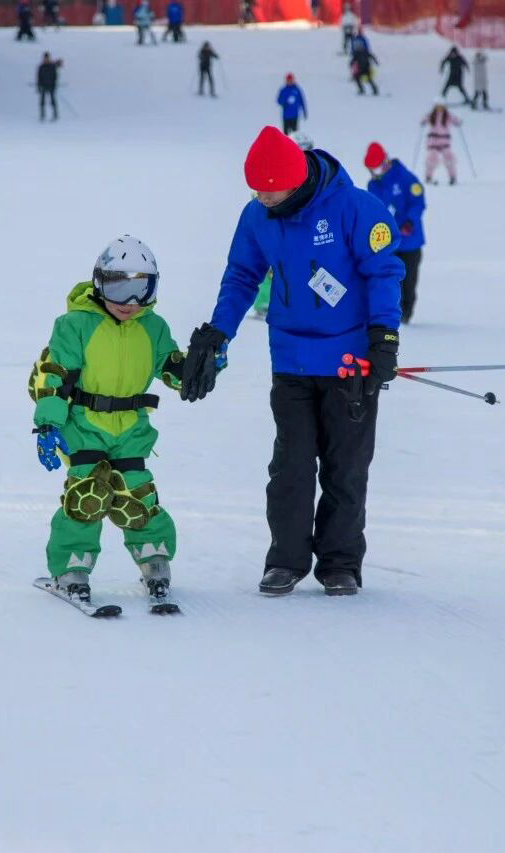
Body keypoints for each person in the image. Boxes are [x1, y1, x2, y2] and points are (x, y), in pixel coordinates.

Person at [179, 126, 404, 597]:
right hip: (291, 360)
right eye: (254, 188)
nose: (261, 196)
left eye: (269, 188)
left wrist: (384, 336)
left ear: (296, 178)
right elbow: (242, 274)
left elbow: (384, 271)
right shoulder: (258, 215)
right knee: (291, 467)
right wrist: (219, 332)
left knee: (345, 467)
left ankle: (340, 563)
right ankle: (286, 559)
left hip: (350, 362)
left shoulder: (357, 208)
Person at [28, 236, 192, 607]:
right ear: (99, 282)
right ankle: (72, 567)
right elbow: (55, 376)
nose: (129, 302)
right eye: (119, 287)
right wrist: (49, 424)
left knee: (136, 494)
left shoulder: (154, 327)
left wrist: (202, 365)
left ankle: (155, 560)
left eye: (140, 289)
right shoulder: (75, 324)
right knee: (86, 496)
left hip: (131, 427)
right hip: (83, 424)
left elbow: (174, 372)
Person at [252, 130, 315, 320]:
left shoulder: (312, 179)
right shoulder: (277, 170)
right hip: (273, 227)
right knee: (267, 265)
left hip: (302, 232)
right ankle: (263, 302)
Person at [364, 142, 425, 323]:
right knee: (389, 278)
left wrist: (409, 221)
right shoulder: (373, 185)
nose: (377, 172)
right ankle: (390, 310)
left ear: (386, 161)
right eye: (372, 170)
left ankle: (406, 311)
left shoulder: (406, 178)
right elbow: (374, 209)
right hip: (387, 242)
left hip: (409, 241)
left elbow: (418, 202)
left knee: (408, 279)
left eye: (378, 167)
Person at [421, 102, 461, 186]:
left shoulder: (448, 116)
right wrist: (423, 121)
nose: (439, 108)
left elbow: (456, 120)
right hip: (433, 141)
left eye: (441, 107)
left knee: (448, 157)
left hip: (444, 141)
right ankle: (428, 177)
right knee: (432, 157)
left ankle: (452, 177)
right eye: (438, 107)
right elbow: (423, 119)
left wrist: (458, 122)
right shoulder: (431, 115)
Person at [37, 52, 62, 121]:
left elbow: (55, 77)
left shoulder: (52, 66)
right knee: (42, 101)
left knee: (52, 101)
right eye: (45, 58)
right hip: (43, 86)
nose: (46, 59)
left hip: (51, 86)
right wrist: (39, 86)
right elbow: (39, 77)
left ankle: (55, 114)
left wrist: (54, 85)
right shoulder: (41, 67)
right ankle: (42, 115)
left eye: (47, 58)